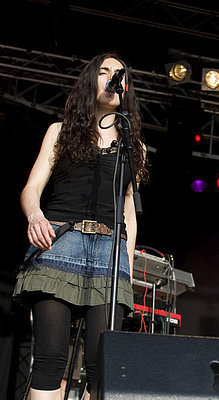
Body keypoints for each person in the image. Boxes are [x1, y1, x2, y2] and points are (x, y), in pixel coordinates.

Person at [13, 52, 148, 400]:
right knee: (49, 360)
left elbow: (128, 213)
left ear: (126, 88)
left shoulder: (135, 147)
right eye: (104, 71)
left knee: (100, 368)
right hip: (61, 242)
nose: (113, 77)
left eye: (120, 73)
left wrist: (126, 266)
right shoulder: (60, 132)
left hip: (109, 254)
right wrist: (35, 215)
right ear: (91, 81)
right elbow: (31, 189)